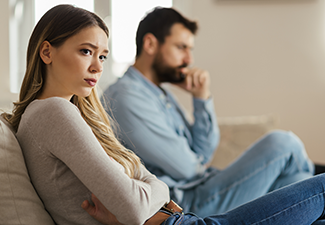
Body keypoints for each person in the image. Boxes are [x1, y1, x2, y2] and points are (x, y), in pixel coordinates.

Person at [4, 3, 325, 225]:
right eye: (86, 51)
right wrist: (159, 190)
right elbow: (133, 205)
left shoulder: (57, 114)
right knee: (299, 162)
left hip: (179, 216)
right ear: (47, 51)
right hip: (179, 218)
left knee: (304, 187)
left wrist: (148, 188)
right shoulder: (55, 112)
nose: (97, 66)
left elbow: (176, 167)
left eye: (102, 55)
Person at [101, 7, 318, 217]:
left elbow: (204, 152)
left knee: (297, 182)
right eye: (181, 47)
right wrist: (200, 161)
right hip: (185, 203)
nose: (189, 59)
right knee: (283, 143)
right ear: (150, 44)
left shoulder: (161, 94)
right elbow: (188, 169)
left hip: (204, 187)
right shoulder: (125, 97)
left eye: (190, 49)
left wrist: (201, 98)